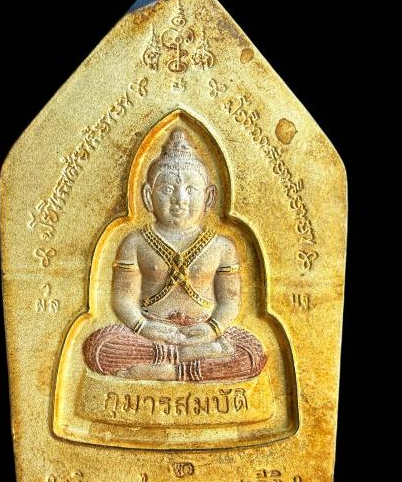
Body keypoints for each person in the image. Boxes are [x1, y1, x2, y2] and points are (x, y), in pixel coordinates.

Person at [83, 128, 266, 381]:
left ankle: (170, 369)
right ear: (148, 196)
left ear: (209, 197)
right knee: (98, 347)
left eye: (191, 190)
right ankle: (185, 361)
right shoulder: (135, 243)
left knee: (252, 352)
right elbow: (123, 299)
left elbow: (229, 302)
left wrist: (211, 328)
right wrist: (144, 326)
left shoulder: (222, 246)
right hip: (151, 331)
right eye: (167, 189)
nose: (180, 199)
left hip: (203, 332)